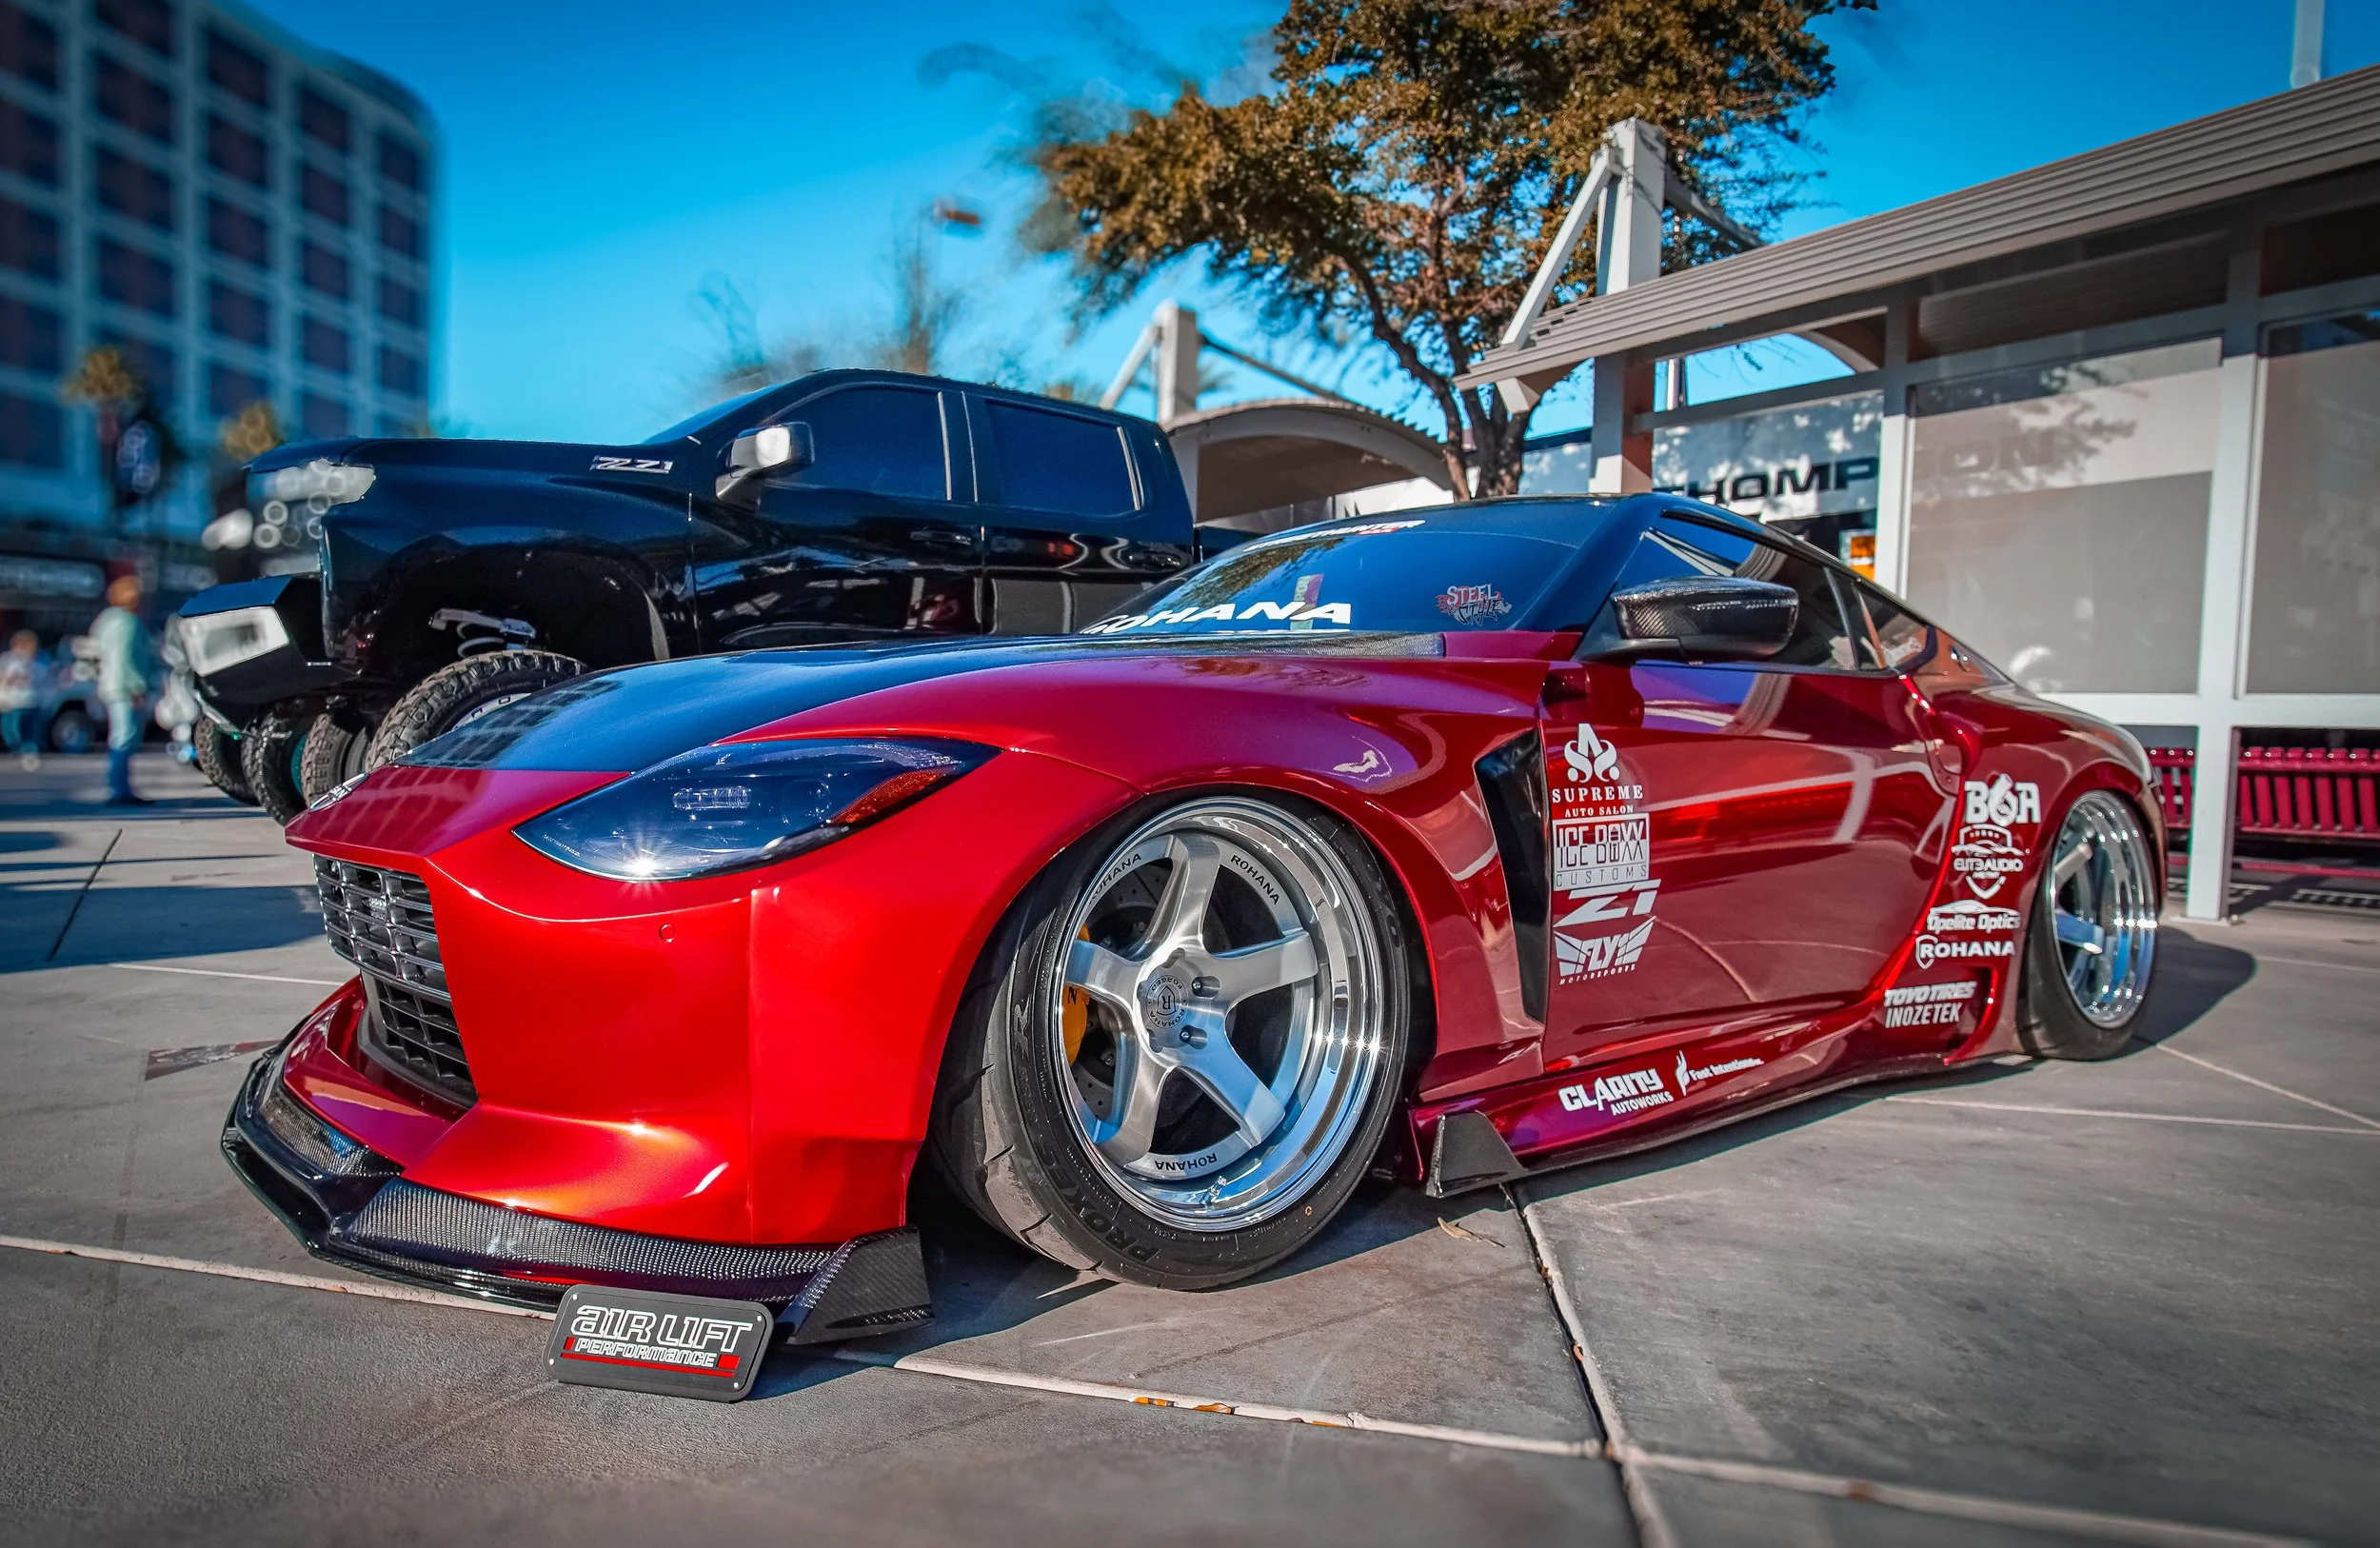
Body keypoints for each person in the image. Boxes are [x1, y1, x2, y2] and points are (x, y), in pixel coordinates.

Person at [89, 575, 153, 805]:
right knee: (124, 738)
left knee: (119, 736)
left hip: (110, 685)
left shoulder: (106, 621)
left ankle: (120, 788)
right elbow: (126, 658)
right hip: (124, 688)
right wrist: (137, 686)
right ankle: (119, 791)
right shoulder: (129, 623)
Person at [0, 629, 40, 767]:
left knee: (26, 730)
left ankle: (28, 753)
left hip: (28, 701)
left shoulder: (33, 661)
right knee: (11, 730)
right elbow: (4, 676)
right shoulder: (9, 659)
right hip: (11, 702)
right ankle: (19, 749)